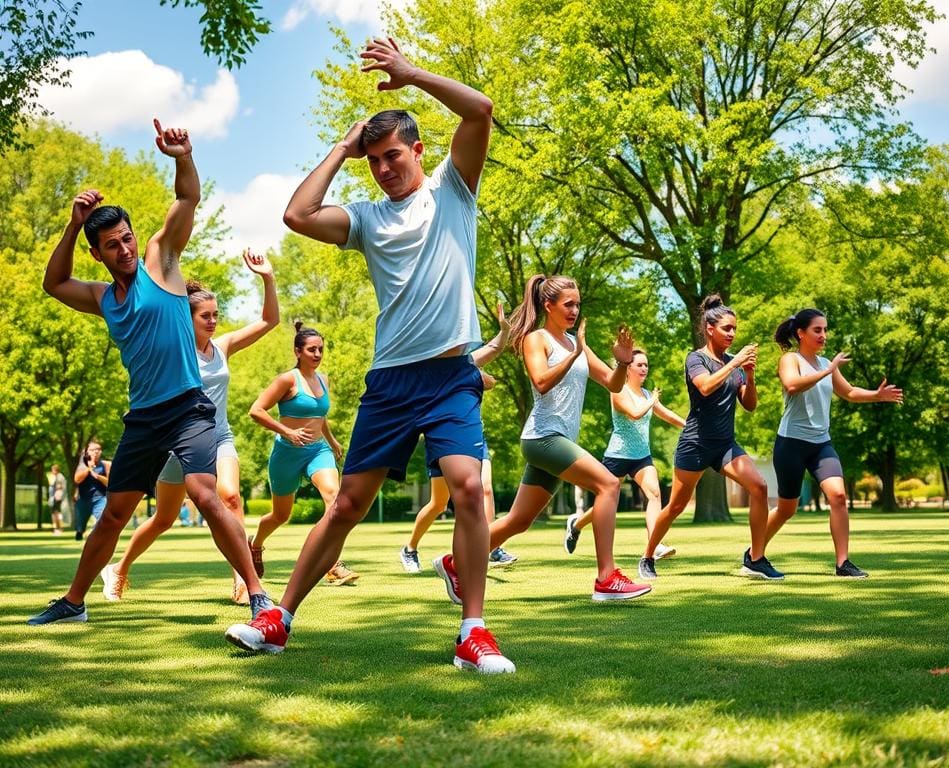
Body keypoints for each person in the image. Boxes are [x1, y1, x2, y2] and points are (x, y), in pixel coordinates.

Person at [225, 39, 514, 673]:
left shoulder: (453, 190)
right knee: (348, 504)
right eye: (374, 161)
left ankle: (473, 630)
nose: (384, 169)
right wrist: (342, 147)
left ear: (416, 150)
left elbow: (480, 110)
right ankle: (279, 620)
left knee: (468, 489)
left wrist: (411, 75)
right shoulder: (363, 217)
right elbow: (297, 214)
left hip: (449, 378)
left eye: (393, 157)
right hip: (389, 382)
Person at [28, 119, 269, 626]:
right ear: (98, 253)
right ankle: (74, 601)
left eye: (127, 237)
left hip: (188, 406)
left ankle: (257, 594)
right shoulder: (102, 297)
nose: (125, 248)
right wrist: (74, 224)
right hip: (144, 416)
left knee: (207, 494)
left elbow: (187, 200)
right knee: (116, 513)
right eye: (112, 245)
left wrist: (182, 156)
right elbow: (54, 283)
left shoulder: (161, 260)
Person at [435, 274, 652, 603]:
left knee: (519, 521)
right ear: (548, 305)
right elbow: (540, 382)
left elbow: (612, 383)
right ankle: (607, 578)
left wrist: (622, 363)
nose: (575, 310)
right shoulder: (537, 339)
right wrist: (574, 353)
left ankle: (455, 563)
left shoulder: (574, 343)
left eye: (578, 304)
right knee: (608, 484)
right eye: (568, 304)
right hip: (542, 438)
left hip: (556, 439)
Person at [99, 250, 279, 605]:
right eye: (205, 316)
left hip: (218, 435)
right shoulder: (174, 350)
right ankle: (118, 568)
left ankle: (244, 582)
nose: (212, 322)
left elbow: (268, 321)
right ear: (187, 316)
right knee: (164, 519)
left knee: (230, 497)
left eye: (216, 315)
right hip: (177, 441)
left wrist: (267, 278)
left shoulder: (223, 346)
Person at [639, 295, 782, 581]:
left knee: (759, 487)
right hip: (695, 443)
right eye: (727, 328)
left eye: (734, 329)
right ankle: (647, 556)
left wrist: (749, 375)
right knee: (676, 506)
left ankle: (756, 558)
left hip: (725, 444)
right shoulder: (696, 358)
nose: (732, 334)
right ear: (710, 329)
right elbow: (704, 387)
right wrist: (735, 364)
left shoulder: (735, 365)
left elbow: (750, 405)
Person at [764, 309, 903, 578]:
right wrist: (828, 369)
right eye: (818, 330)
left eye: (825, 330)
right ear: (801, 333)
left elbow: (848, 392)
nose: (824, 335)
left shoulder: (826, 363)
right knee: (786, 509)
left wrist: (877, 394)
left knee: (838, 496)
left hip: (820, 444)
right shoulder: (790, 359)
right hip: (790, 444)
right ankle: (755, 552)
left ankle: (843, 563)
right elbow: (792, 386)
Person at [399, 303, 517, 572]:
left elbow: (495, 350)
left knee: (484, 488)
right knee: (438, 503)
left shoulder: (466, 362)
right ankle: (410, 548)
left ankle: (490, 546)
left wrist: (504, 330)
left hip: (473, 438)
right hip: (441, 440)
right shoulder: (427, 363)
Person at [246, 322, 359, 588]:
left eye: (321, 349)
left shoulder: (323, 379)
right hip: (287, 453)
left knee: (334, 497)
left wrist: (331, 442)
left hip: (318, 451)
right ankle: (256, 543)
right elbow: (256, 411)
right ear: (298, 351)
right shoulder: (287, 380)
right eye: (312, 350)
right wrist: (287, 432)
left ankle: (333, 565)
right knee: (280, 515)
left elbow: (320, 416)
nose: (318, 354)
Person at [564, 348, 686, 565]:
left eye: (646, 365)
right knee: (606, 502)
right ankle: (576, 525)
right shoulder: (618, 390)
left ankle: (655, 544)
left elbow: (666, 413)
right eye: (640, 364)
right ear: (628, 368)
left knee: (654, 494)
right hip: (618, 456)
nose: (644, 368)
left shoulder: (648, 395)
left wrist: (688, 426)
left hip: (642, 456)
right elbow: (634, 413)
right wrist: (653, 401)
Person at [73, 442, 109, 540]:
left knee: (102, 519)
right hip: (84, 499)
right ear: (87, 452)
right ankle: (80, 532)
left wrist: (98, 476)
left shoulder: (106, 465)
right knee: (80, 524)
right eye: (93, 450)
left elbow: (110, 483)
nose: (96, 452)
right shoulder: (82, 465)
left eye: (98, 449)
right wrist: (89, 469)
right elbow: (77, 479)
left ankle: (95, 535)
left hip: (101, 498)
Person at [48, 464, 67, 535]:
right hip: (54, 497)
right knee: (55, 513)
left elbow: (59, 487)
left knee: (56, 513)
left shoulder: (59, 477)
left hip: (56, 497)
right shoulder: (56, 476)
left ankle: (58, 528)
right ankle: (57, 528)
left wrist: (57, 495)